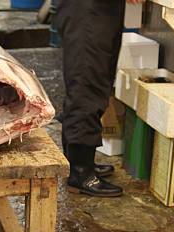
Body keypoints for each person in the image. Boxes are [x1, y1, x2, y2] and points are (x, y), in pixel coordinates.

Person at [56, 0, 146, 197]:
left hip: (100, 10)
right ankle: (81, 174)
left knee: (96, 79)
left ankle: (77, 161)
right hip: (88, 10)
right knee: (87, 85)